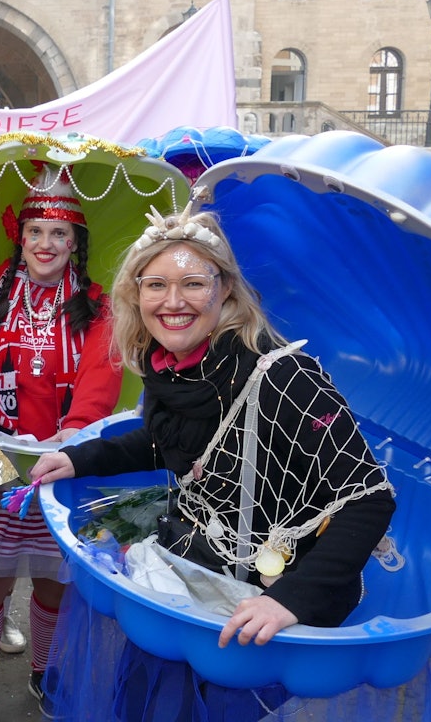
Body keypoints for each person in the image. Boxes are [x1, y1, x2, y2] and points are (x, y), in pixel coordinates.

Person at [30, 205, 395, 716]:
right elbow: (167, 443)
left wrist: (288, 601)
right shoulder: (172, 364)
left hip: (255, 605)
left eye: (193, 283)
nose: (172, 302)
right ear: (135, 295)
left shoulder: (284, 375)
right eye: (155, 284)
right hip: (187, 572)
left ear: (225, 289)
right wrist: (79, 459)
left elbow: (369, 500)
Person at [0, 165, 122, 722]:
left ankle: (44, 673)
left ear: (75, 242)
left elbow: (102, 375)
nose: (46, 244)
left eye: (59, 234)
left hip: (61, 463)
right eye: (36, 231)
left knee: (54, 584)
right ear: (20, 235)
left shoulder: (97, 303)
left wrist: (78, 425)